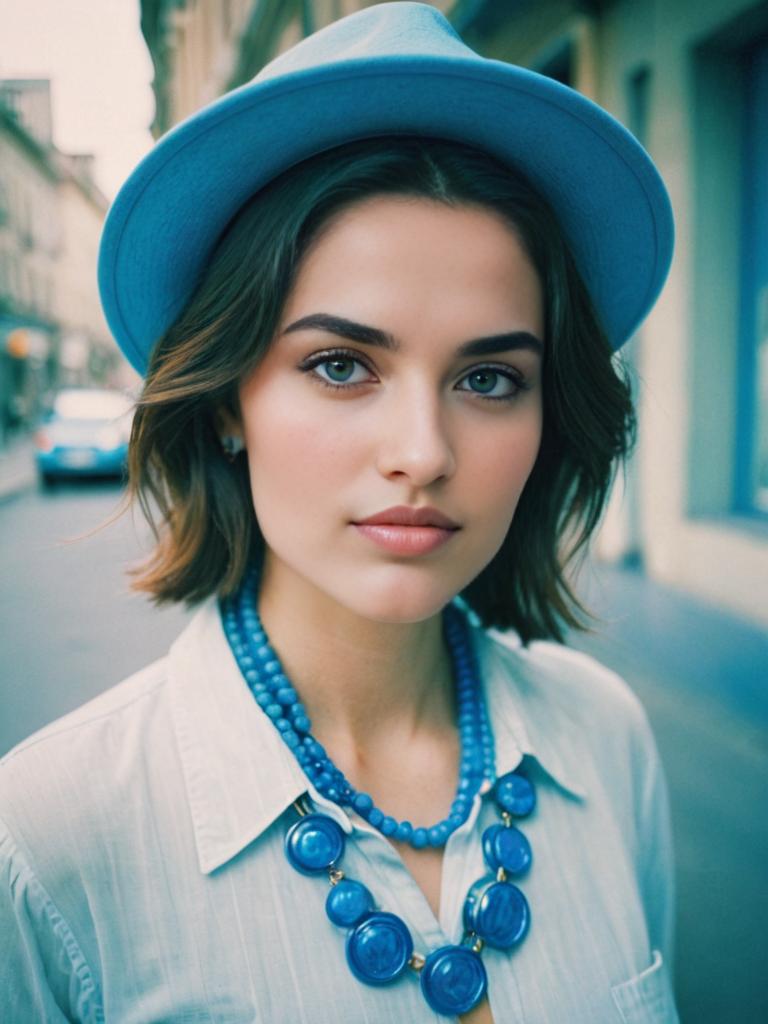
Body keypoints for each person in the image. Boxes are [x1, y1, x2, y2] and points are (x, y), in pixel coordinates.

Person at [0, 4, 678, 1022]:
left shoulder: (607, 740)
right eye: (341, 365)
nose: (423, 451)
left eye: (489, 378)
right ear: (229, 401)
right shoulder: (50, 839)